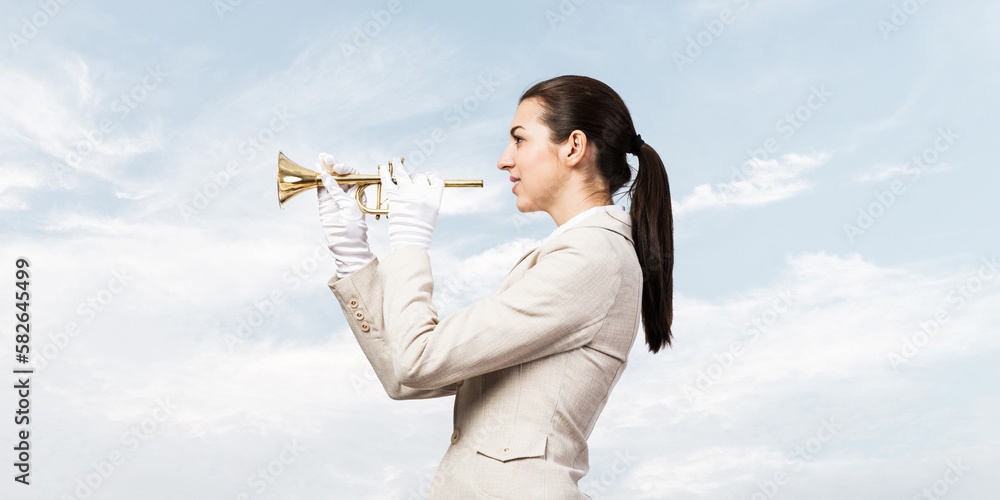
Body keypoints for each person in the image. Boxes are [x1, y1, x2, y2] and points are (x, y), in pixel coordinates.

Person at [316, 75, 674, 499]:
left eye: (519, 140)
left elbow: (418, 360)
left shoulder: (592, 256)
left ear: (573, 147)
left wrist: (410, 241)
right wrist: (353, 257)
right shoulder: (578, 253)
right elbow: (406, 376)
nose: (504, 160)